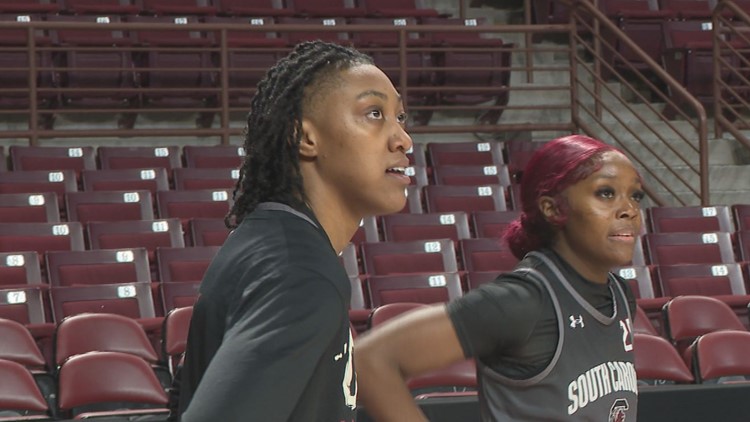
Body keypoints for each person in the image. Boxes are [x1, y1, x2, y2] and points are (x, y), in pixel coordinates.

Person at [173, 40, 412, 421]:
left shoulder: (274, 242)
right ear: (305, 137)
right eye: (373, 113)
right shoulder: (299, 274)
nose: (403, 139)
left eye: (400, 117)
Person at [355, 135, 642, 421]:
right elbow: (369, 360)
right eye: (605, 193)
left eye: (635, 195)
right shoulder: (522, 301)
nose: (629, 209)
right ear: (553, 208)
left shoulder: (619, 293)